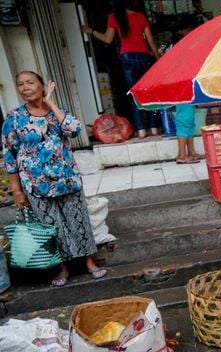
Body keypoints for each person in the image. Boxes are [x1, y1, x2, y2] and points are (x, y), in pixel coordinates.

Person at [1, 72, 107, 287]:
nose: (24, 88)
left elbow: (74, 130)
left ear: (43, 87)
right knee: (51, 226)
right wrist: (17, 190)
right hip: (36, 184)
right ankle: (62, 267)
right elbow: (9, 155)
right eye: (20, 84)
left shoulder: (57, 113)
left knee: (78, 221)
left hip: (67, 179)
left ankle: (88, 262)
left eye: (30, 83)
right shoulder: (14, 118)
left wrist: (50, 102)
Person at [81, 1, 160, 138]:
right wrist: (159, 58)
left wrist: (91, 31)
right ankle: (153, 128)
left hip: (127, 57)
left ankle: (141, 130)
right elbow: (151, 40)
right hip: (144, 56)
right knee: (148, 93)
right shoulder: (140, 17)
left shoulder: (113, 17)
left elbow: (107, 39)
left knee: (134, 94)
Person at [170, 16, 203, 164]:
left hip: (185, 86)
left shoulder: (180, 45)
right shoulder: (181, 46)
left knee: (189, 119)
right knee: (185, 119)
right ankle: (182, 155)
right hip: (182, 86)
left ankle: (191, 151)